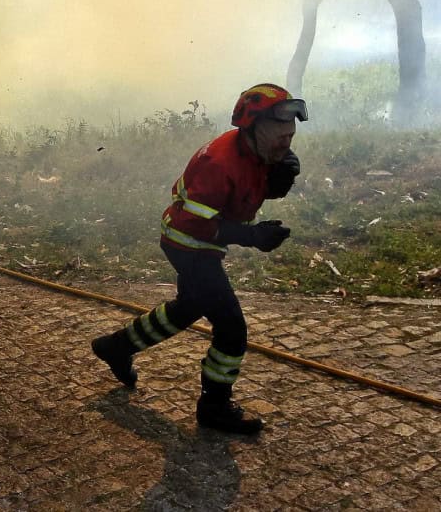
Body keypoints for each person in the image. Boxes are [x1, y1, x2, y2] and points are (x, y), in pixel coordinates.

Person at [91, 83, 305, 434]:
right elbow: (195, 223)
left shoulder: (256, 152)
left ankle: (116, 347)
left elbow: (246, 192)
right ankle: (214, 408)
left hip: (201, 243)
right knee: (232, 329)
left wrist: (277, 182)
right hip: (187, 244)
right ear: (252, 127)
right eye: (280, 136)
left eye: (290, 137)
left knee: (188, 307)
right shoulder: (217, 163)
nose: (287, 142)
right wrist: (252, 236)